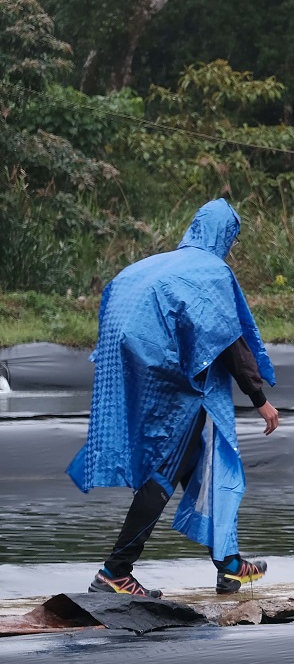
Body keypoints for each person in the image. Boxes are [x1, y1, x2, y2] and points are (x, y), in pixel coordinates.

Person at [68, 199, 279, 598]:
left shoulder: (149, 266)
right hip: (176, 386)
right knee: (166, 471)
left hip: (138, 376)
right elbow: (229, 339)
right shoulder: (211, 271)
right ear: (224, 235)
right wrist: (258, 397)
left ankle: (230, 564)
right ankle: (115, 571)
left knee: (205, 465)